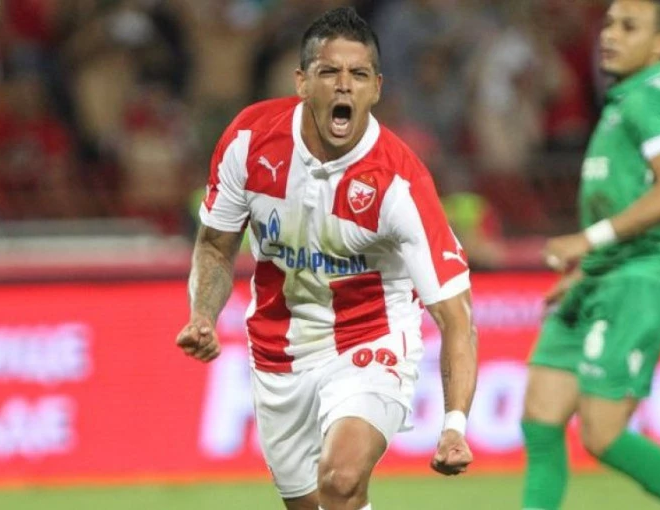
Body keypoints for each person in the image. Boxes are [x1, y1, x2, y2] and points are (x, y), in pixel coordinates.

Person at [175, 7, 477, 510]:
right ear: (302, 82)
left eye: (358, 74)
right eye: (329, 72)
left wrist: (454, 425)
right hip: (277, 352)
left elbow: (456, 316)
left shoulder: (398, 183)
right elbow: (213, 245)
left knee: (340, 479)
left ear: (376, 88)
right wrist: (203, 314)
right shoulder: (249, 141)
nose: (343, 86)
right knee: (316, 505)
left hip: (371, 338)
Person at [522, 1, 660, 509]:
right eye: (608, 24)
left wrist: (589, 241)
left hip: (636, 280)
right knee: (541, 414)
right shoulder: (622, 100)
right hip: (599, 275)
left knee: (602, 434)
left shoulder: (653, 99)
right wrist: (586, 268)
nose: (609, 35)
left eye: (629, 27)